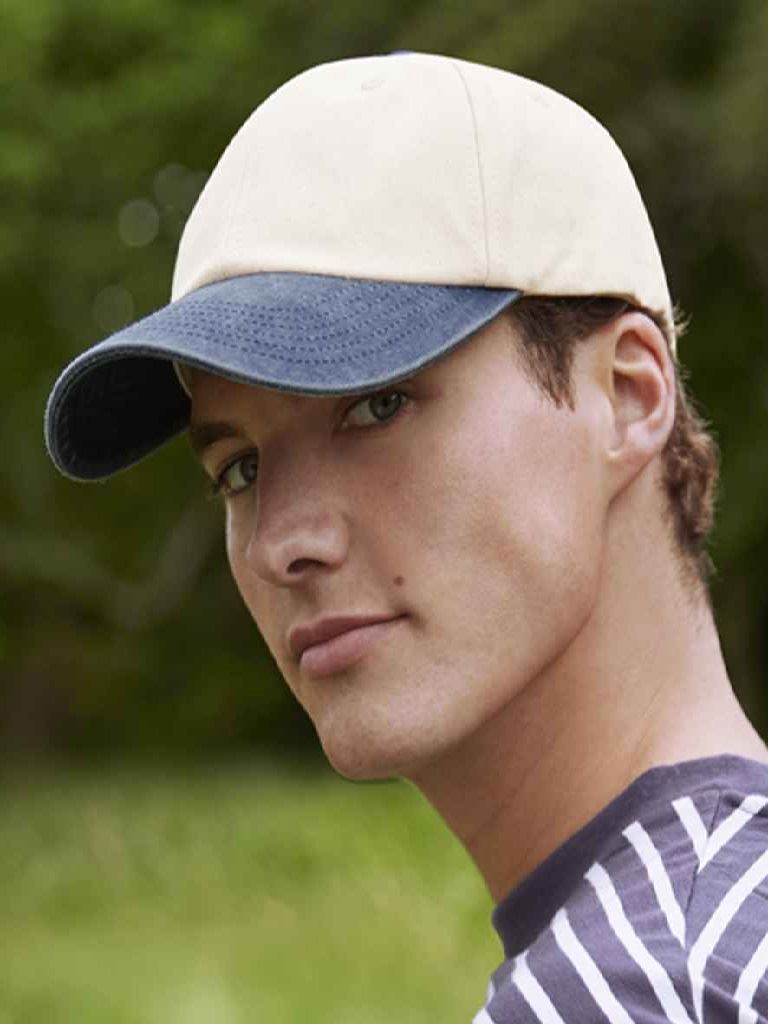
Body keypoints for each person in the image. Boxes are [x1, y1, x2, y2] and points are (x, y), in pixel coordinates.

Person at [45, 52, 768, 1023]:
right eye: (241, 468)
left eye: (377, 405)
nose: (280, 541)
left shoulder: (642, 988)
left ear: (627, 395)